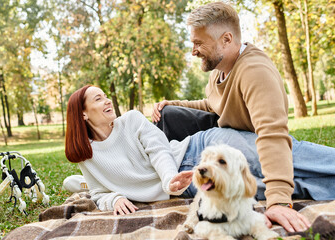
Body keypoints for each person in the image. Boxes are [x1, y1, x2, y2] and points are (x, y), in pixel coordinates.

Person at [65, 85, 335, 234]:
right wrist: (114, 199)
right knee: (289, 184)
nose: (107, 100)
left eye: (105, 95)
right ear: (84, 115)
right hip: (192, 184)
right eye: (98, 99)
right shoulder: (87, 156)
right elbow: (98, 191)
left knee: (288, 156)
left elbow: (159, 149)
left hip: (199, 149)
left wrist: (170, 180)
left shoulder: (132, 120)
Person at [151, 1, 313, 233]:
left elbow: (272, 135)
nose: (193, 51)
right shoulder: (220, 68)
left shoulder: (255, 71)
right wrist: (172, 104)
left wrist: (278, 201)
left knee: (313, 171)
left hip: (249, 148)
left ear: (226, 39)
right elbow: (214, 104)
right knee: (168, 115)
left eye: (198, 43)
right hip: (224, 135)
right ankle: (177, 168)